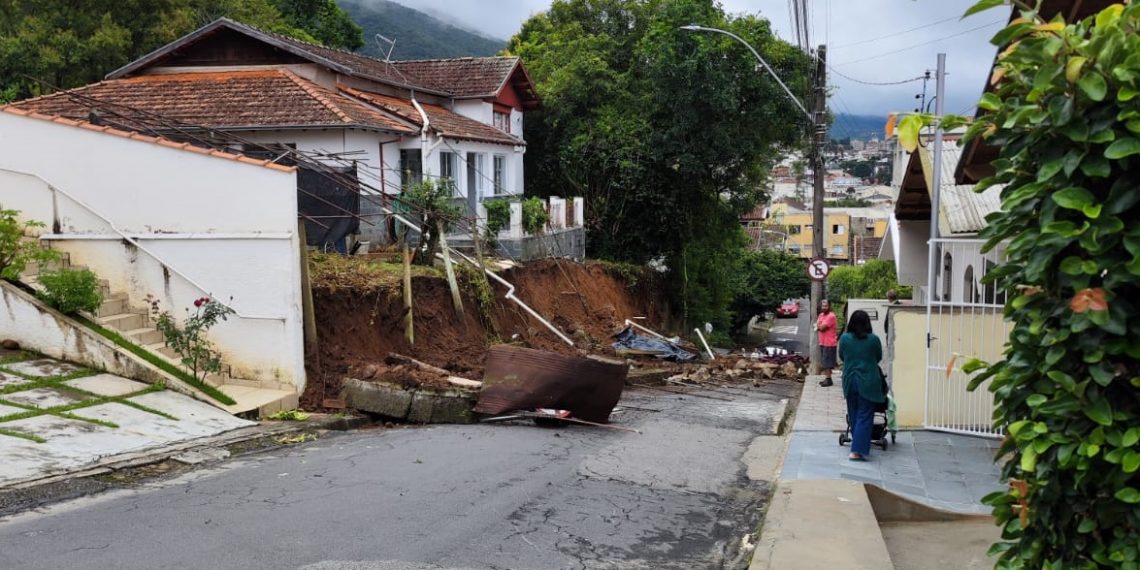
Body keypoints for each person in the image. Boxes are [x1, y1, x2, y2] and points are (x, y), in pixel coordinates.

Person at [839, 310, 885, 461]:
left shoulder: (845, 339)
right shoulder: (873, 340)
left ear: (851, 322)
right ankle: (857, 450)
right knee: (865, 414)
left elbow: (841, 356)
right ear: (867, 323)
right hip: (868, 380)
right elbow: (878, 357)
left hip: (850, 380)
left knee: (853, 413)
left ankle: (857, 442)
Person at [815, 299, 838, 387]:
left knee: (826, 362)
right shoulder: (821, 315)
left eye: (826, 306)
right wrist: (818, 325)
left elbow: (821, 328)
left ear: (829, 306)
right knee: (825, 362)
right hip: (823, 342)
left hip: (829, 343)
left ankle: (828, 380)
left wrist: (818, 325)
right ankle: (828, 378)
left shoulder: (831, 316)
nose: (824, 308)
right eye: (822, 306)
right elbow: (817, 325)